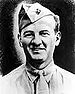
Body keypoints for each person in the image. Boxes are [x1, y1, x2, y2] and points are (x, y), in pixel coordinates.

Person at [0, 1, 75, 94]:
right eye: (29, 34)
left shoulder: (72, 84)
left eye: (44, 33)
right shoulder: (5, 85)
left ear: (57, 38)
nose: (36, 41)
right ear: (20, 39)